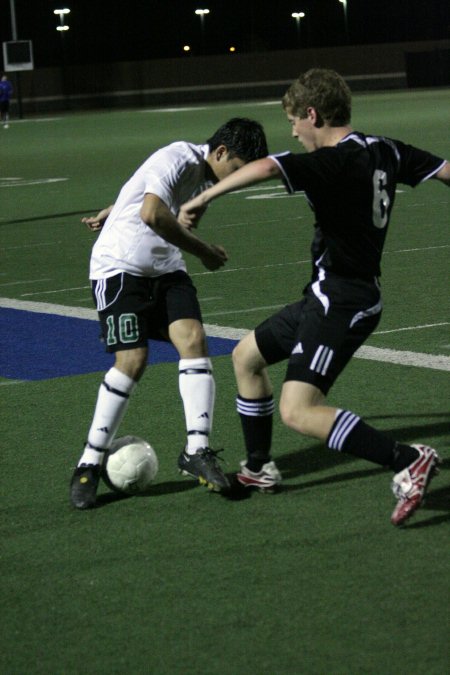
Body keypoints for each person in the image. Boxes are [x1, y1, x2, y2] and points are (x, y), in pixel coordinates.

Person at [180, 69, 450, 526]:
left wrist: (204, 198)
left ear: (312, 114)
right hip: (324, 295)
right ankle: (259, 467)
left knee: (299, 411)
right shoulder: (385, 148)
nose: (293, 133)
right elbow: (446, 170)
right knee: (246, 357)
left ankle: (407, 458)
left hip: (345, 300)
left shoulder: (332, 162)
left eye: (294, 122)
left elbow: (266, 166)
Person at [70, 117, 268, 509]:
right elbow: (152, 214)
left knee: (194, 340)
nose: (239, 178)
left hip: (166, 268)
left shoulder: (209, 177)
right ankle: (90, 461)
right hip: (119, 267)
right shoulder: (177, 156)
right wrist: (204, 250)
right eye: (239, 167)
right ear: (222, 152)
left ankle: (197, 451)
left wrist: (116, 206)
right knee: (132, 359)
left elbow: (145, 192)